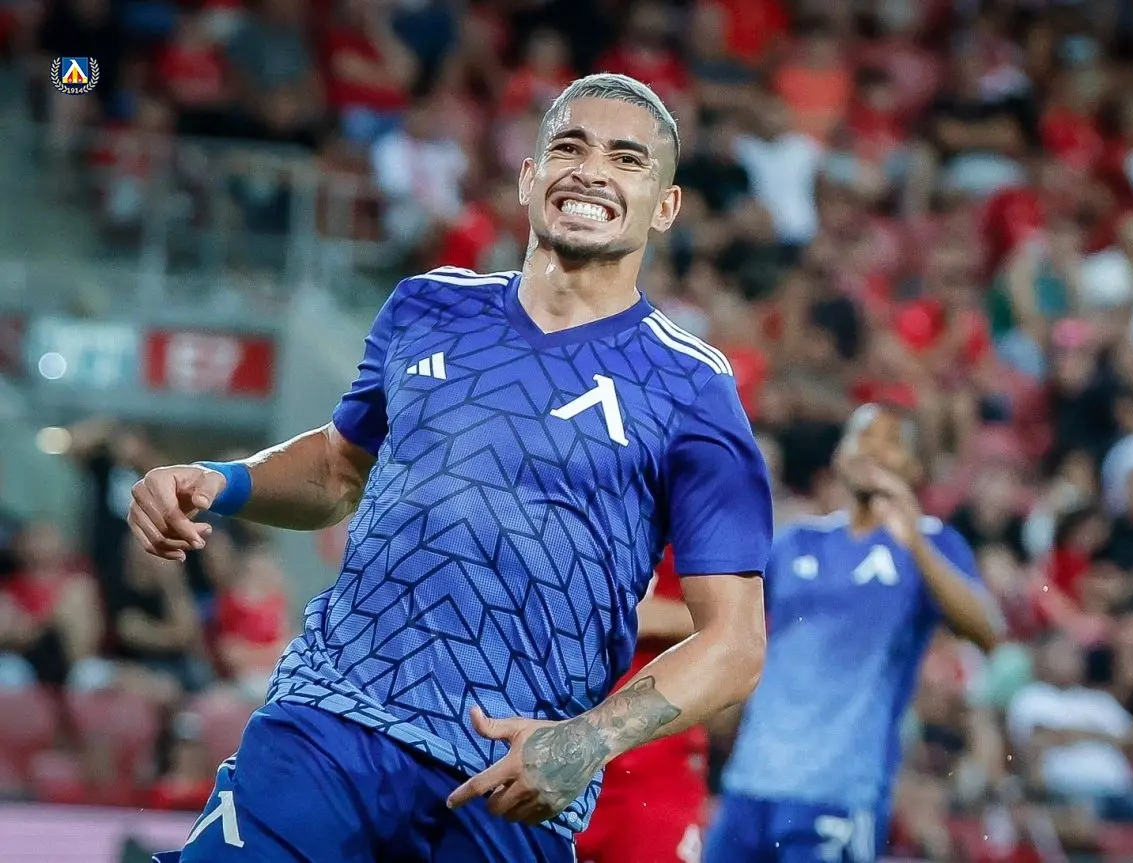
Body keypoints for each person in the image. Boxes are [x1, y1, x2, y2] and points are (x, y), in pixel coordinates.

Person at [131, 73, 774, 863]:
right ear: (529, 177)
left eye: (625, 158)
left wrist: (587, 740)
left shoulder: (691, 386)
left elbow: (736, 641)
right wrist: (223, 480)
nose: (590, 171)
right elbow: (338, 467)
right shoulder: (427, 306)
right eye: (568, 148)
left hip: (507, 776)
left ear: (665, 206)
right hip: (329, 721)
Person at [703, 403, 1002, 862]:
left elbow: (987, 633)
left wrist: (914, 541)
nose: (872, 449)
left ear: (914, 467)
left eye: (890, 441)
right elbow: (729, 624)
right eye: (862, 436)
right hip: (750, 784)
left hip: (840, 791)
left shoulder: (934, 543)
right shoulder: (794, 541)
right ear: (840, 457)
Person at [575, 547, 707, 863]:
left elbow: (735, 623)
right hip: (556, 752)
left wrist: (619, 615)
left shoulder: (691, 520)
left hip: (651, 763)